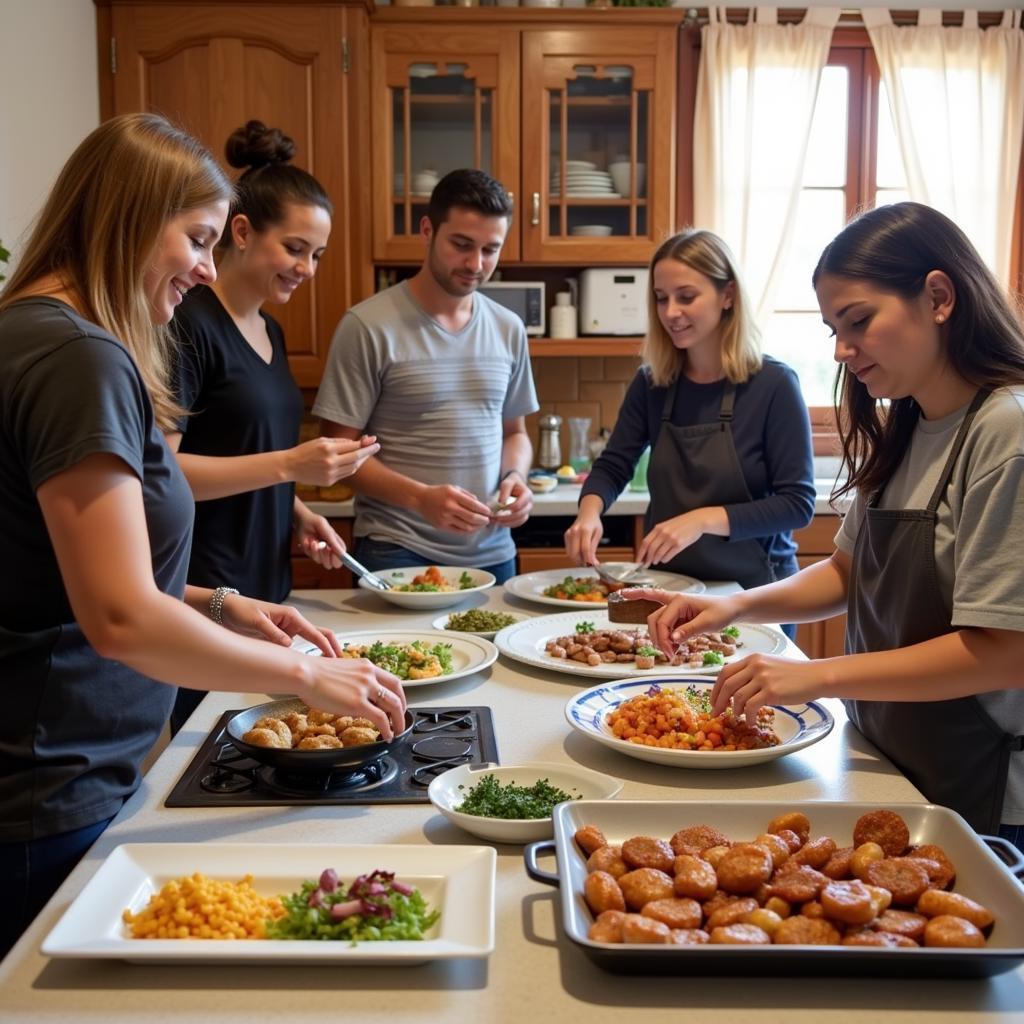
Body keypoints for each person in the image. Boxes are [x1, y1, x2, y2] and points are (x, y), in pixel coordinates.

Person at [0, 114, 405, 959]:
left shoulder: (34, 333)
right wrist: (308, 674)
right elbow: (118, 618)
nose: (203, 267)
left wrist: (220, 605)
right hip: (45, 786)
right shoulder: (79, 359)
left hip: (57, 769)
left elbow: (60, 570)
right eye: (195, 238)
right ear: (127, 214)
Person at [635, 202, 1024, 845]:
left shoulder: (1005, 430)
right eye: (833, 330)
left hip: (985, 793)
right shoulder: (908, 422)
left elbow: (1005, 652)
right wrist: (730, 609)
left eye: (859, 322)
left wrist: (817, 675)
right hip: (894, 761)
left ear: (938, 297)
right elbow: (846, 571)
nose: (843, 351)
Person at [166, 120, 378, 735]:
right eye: (294, 248)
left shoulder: (271, 331)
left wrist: (295, 511)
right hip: (203, 599)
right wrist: (290, 467)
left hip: (266, 597)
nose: (306, 268)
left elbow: (244, 451)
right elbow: (164, 472)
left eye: (317, 255)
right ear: (240, 231)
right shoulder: (188, 324)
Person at [564, 229, 815, 635]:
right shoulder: (652, 383)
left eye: (686, 296)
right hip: (672, 594)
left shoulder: (774, 384)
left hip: (753, 596)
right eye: (661, 298)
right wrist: (589, 512)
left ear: (727, 295)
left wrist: (701, 519)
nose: (671, 311)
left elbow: (797, 504)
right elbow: (614, 464)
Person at [312, 169, 538, 584]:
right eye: (461, 245)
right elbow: (338, 455)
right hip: (397, 549)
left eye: (491, 249)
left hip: (494, 554)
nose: (476, 264)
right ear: (427, 230)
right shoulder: (367, 326)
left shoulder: (509, 328)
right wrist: (420, 499)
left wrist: (516, 478)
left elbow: (514, 433)